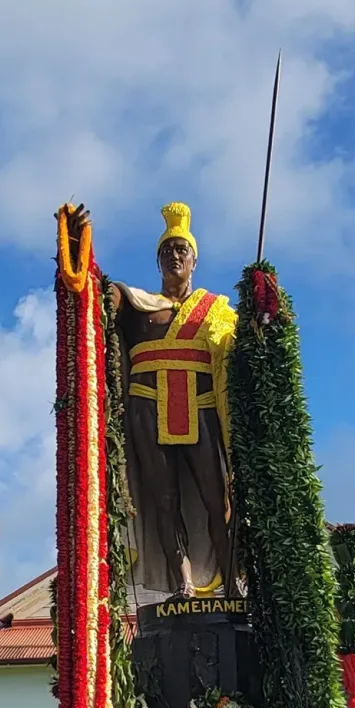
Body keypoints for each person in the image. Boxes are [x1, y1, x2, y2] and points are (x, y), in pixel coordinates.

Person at [106, 202, 239, 599]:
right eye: (167, 250)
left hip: (200, 409)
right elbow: (106, 298)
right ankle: (182, 583)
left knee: (218, 500)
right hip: (147, 408)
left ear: (194, 260)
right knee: (164, 500)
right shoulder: (140, 306)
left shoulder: (214, 310)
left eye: (182, 249)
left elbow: (233, 351)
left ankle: (231, 581)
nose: (174, 255)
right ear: (158, 261)